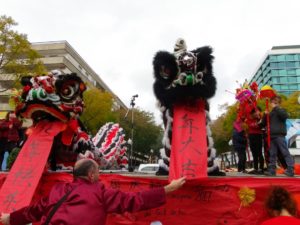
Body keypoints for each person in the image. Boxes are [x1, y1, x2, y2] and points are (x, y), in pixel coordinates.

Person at [0, 158, 186, 225]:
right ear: (90, 175)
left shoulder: (58, 190)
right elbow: (133, 200)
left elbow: (34, 210)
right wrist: (167, 189)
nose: (100, 175)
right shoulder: (101, 192)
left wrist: (10, 218)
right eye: (98, 172)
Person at [261, 95, 294, 177]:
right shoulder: (271, 112)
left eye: (273, 101)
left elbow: (285, 116)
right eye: (272, 101)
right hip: (272, 135)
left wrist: (276, 108)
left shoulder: (281, 110)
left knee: (284, 152)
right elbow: (263, 123)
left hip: (279, 135)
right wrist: (265, 115)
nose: (272, 103)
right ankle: (272, 170)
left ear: (277, 102)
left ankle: (290, 169)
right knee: (272, 154)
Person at [246, 107, 264, 174]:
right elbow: (251, 126)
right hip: (251, 136)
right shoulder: (249, 119)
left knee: (259, 152)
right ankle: (255, 168)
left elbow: (260, 126)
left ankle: (261, 168)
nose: (257, 113)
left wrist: (259, 119)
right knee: (254, 153)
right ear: (253, 113)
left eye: (258, 112)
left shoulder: (260, 118)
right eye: (256, 112)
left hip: (258, 136)